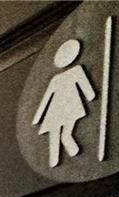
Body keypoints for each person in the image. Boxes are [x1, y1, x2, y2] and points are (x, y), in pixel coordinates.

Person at [33, 38, 97, 167]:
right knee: (56, 132)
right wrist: (37, 117)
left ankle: (69, 147)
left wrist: (91, 95)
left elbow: (87, 88)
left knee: (64, 131)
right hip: (60, 108)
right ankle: (56, 156)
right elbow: (46, 98)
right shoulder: (58, 78)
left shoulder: (76, 71)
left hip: (68, 106)